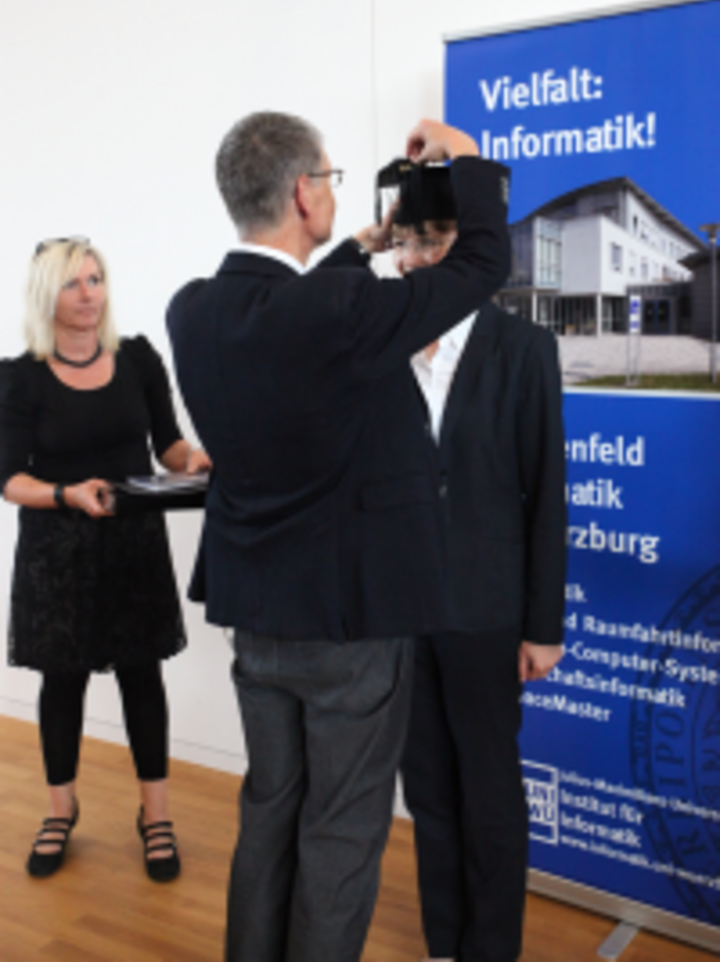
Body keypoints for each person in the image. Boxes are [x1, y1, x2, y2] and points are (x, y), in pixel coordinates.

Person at [166, 112, 511, 962]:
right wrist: (468, 157)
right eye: (328, 177)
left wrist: (360, 244)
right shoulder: (341, 312)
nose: (331, 191)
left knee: (269, 810)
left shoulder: (193, 311)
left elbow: (294, 307)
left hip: (257, 619)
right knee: (341, 830)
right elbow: (482, 263)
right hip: (350, 628)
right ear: (302, 192)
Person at [379, 165, 566, 962]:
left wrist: (543, 626)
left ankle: (490, 949)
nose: (418, 257)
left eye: (435, 239)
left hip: (488, 610)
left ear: (471, 242)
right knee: (426, 788)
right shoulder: (379, 346)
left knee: (489, 791)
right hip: (401, 612)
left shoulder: (524, 349)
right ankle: (443, 943)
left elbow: (546, 493)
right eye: (407, 241)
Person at [0, 236, 211, 882]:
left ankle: (156, 816)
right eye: (73, 283)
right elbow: (9, 479)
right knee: (62, 682)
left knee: (142, 677)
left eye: (95, 279)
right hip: (56, 553)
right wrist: (66, 493)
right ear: (47, 295)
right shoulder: (20, 377)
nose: (89, 293)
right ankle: (60, 809)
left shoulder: (139, 358)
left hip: (133, 547)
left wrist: (195, 460)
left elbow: (168, 445)